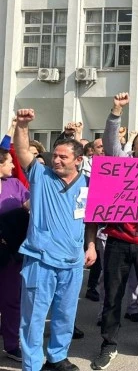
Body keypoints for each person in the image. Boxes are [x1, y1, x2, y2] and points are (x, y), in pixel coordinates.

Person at [14, 108, 97, 371]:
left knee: (65, 315)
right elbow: (23, 151)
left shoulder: (89, 184)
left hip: (72, 261)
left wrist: (91, 244)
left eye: (63, 157)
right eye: (55, 156)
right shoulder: (41, 176)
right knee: (34, 318)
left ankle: (57, 357)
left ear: (79, 160)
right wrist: (23, 125)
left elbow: (91, 219)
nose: (56, 161)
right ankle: (32, 364)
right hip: (41, 260)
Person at [92, 93, 138, 370]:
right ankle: (108, 344)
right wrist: (116, 112)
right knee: (113, 296)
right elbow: (111, 142)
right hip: (118, 242)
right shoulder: (120, 165)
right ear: (132, 147)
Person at [0, 148, 30, 363]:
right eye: (9, 162)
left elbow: (29, 206)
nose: (13, 166)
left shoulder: (15, 184)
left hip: (11, 254)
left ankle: (12, 345)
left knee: (11, 300)